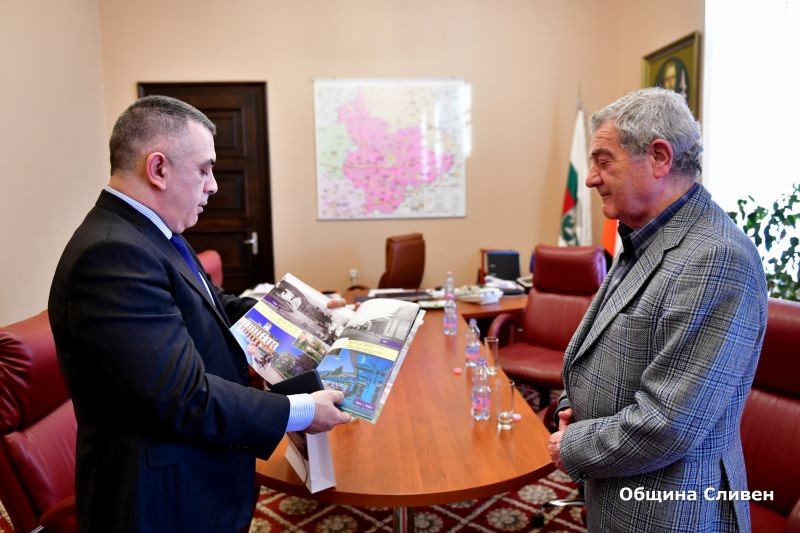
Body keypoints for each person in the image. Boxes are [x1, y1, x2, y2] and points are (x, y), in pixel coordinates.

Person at [48, 95, 351, 532]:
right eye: (205, 169)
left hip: (199, 475)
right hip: (162, 502)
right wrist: (299, 411)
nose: (213, 186)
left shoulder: (153, 232)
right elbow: (184, 397)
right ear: (158, 168)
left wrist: (310, 317)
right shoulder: (111, 255)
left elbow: (217, 305)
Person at [547, 87, 767, 532]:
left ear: (660, 157)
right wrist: (575, 406)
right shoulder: (645, 233)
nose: (590, 178)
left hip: (671, 510)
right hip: (621, 488)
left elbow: (667, 424)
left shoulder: (716, 258)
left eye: (603, 161)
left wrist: (571, 444)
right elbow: (601, 347)